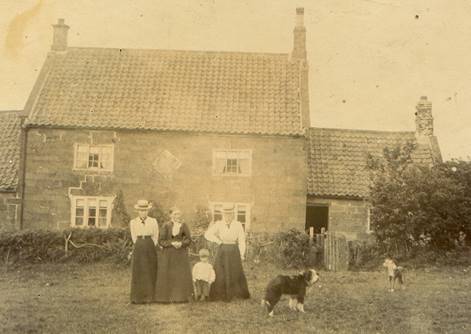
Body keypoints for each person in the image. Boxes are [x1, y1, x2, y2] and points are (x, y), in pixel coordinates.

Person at [204, 203, 250, 301]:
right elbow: (207, 234)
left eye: (230, 214)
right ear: (223, 214)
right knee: (220, 272)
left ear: (233, 214)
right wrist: (218, 241)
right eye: (226, 214)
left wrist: (242, 254)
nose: (228, 216)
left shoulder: (238, 224)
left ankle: (235, 293)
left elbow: (242, 240)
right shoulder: (219, 224)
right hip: (223, 250)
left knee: (235, 271)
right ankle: (220, 294)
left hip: (234, 250)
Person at [154, 207, 193, 303]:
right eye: (175, 214)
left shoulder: (183, 226)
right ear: (170, 215)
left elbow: (188, 239)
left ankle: (180, 297)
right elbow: (161, 241)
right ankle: (166, 298)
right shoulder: (166, 226)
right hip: (168, 254)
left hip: (180, 254)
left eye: (178, 214)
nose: (177, 216)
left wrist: (181, 244)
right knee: (168, 274)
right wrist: (171, 243)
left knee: (180, 274)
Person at [129, 199, 159, 304]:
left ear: (148, 211)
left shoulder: (153, 221)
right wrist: (139, 244)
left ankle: (150, 297)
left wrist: (150, 245)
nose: (143, 212)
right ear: (138, 211)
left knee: (150, 269)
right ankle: (137, 297)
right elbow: (133, 236)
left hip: (149, 244)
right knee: (139, 270)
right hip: (139, 245)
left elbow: (155, 236)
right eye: (141, 210)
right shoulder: (133, 222)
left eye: (145, 210)